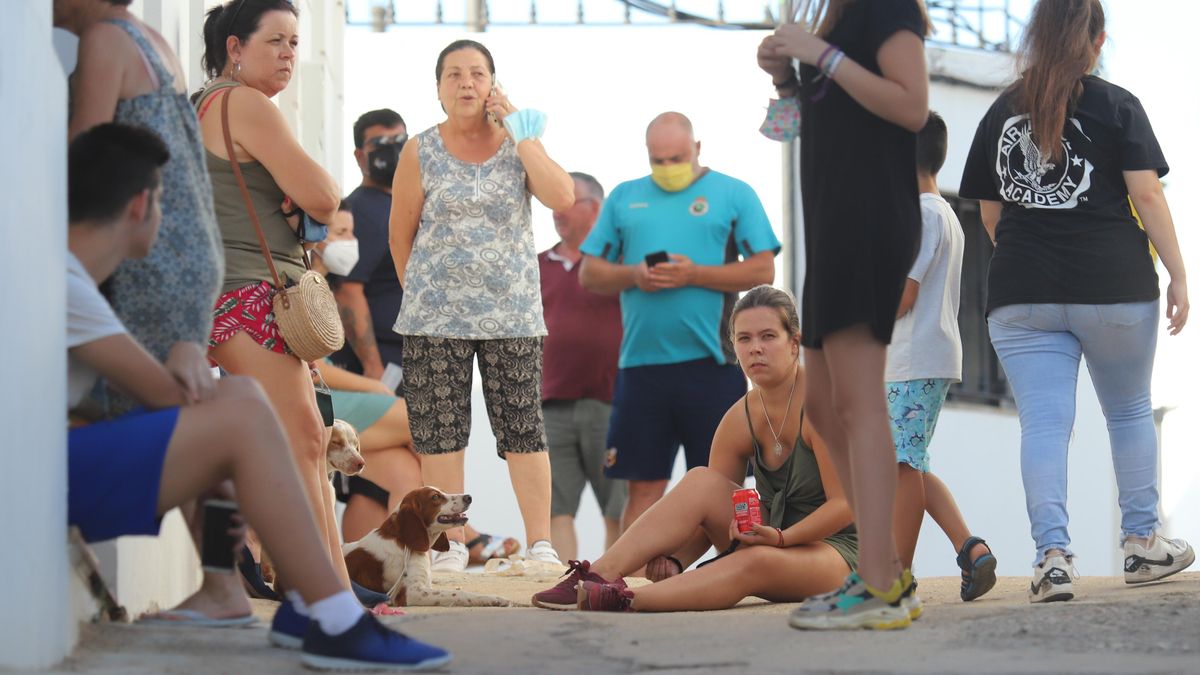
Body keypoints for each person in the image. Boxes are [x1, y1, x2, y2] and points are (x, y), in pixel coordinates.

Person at [65, 122, 449, 670]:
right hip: (49, 483)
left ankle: (279, 597)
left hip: (62, 471)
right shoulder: (64, 281)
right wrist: (180, 361)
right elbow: (164, 397)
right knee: (242, 409)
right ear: (141, 205)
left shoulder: (67, 277)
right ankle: (328, 616)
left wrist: (183, 360)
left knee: (238, 400)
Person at [959, 0, 1192, 602]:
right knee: (1130, 412)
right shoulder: (1117, 105)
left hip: (1019, 296)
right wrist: (1178, 275)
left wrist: (1032, 257)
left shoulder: (1000, 110)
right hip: (1113, 287)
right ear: (1097, 40)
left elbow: (990, 213)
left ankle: (1052, 560)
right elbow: (1149, 195)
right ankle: (1142, 545)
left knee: (1043, 424)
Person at [55, 0, 241, 623]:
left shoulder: (106, 40)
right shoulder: (150, 41)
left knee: (179, 415)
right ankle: (225, 585)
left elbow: (85, 150)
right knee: (184, 408)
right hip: (186, 258)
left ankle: (223, 586)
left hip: (149, 262)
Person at [758, 0, 931, 630]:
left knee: (859, 404)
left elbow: (913, 106)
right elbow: (785, 129)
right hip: (831, 231)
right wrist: (783, 76)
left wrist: (818, 55)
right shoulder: (827, 26)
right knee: (826, 409)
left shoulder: (884, 11)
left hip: (870, 223)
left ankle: (881, 584)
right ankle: (880, 575)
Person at [529, 286, 855, 612]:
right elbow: (707, 512)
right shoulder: (738, 418)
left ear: (794, 343)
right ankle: (598, 576)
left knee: (756, 560)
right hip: (774, 539)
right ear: (734, 347)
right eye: (744, 339)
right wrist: (677, 559)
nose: (756, 348)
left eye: (768, 336)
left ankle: (625, 601)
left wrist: (781, 539)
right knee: (702, 480)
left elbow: (845, 506)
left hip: (838, 551)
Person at [389, 39, 575, 571]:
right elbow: (400, 235)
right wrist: (423, 298)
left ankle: (540, 543)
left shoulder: (521, 143)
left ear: (494, 85)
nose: (465, 83)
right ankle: (448, 544)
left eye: (476, 73)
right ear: (439, 89)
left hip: (512, 313)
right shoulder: (418, 149)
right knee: (441, 431)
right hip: (433, 318)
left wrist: (521, 132)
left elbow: (562, 197)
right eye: (453, 75)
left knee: (522, 426)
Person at [193, 0, 352, 602]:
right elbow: (324, 194)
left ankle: (328, 582)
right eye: (275, 42)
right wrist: (310, 197)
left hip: (236, 292)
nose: (289, 54)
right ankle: (325, 595)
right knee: (303, 436)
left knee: (305, 437)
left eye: (294, 42)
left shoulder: (207, 102)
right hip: (248, 292)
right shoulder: (243, 102)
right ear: (235, 48)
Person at [579, 112, 779, 533]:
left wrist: (695, 275)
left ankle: (741, 570)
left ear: (698, 149)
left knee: (725, 485)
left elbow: (763, 269)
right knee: (643, 488)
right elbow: (590, 273)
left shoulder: (733, 193)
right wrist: (634, 275)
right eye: (659, 160)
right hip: (640, 366)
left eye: (678, 158)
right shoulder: (623, 196)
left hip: (713, 365)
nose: (669, 168)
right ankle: (628, 586)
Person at [888, 111, 995, 603]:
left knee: (903, 466)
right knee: (912, 462)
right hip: (923, 357)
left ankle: (896, 577)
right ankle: (970, 549)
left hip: (911, 358)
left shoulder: (920, 215)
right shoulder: (944, 211)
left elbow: (902, 297)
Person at [540, 172, 627, 561]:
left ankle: (614, 581)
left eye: (567, 200)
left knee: (618, 506)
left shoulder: (619, 265)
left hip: (613, 401)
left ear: (596, 208)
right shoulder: (536, 266)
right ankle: (565, 583)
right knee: (555, 507)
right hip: (550, 403)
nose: (557, 209)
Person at [334, 109, 409, 383]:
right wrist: (374, 368)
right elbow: (347, 291)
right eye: (380, 145)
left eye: (400, 142)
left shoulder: (403, 205)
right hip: (382, 365)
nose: (393, 152)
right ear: (360, 156)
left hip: (409, 357)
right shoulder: (362, 211)